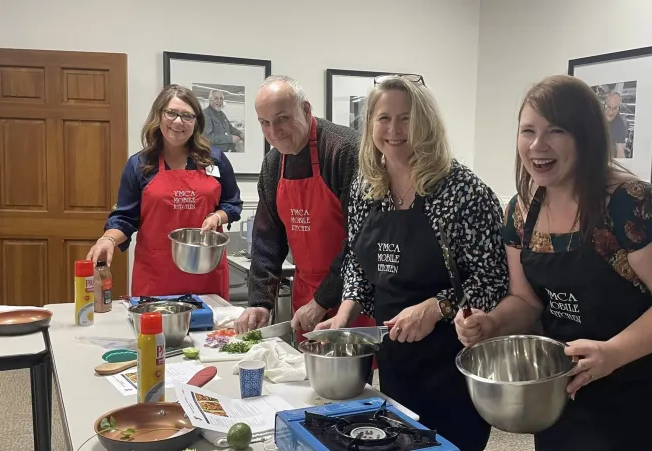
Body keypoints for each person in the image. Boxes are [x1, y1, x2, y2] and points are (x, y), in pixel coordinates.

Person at [455, 74, 652, 451]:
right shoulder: (520, 212)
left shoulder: (629, 204)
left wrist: (613, 353)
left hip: (636, 391)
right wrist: (491, 322)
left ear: (586, 136)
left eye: (556, 130)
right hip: (562, 393)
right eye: (527, 130)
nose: (537, 145)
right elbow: (526, 302)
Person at [315, 75, 509, 451]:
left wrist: (437, 307)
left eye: (406, 118)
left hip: (454, 360)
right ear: (370, 124)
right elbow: (356, 257)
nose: (394, 130)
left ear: (427, 124)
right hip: (396, 357)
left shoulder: (464, 191)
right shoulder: (366, 187)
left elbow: (493, 279)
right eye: (383, 118)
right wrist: (345, 312)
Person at [235, 75, 375, 338]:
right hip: (306, 294)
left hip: (353, 296)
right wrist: (260, 301)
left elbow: (362, 240)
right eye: (264, 123)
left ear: (306, 109)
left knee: (352, 377)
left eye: (282, 118)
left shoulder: (344, 151)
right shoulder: (274, 164)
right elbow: (267, 239)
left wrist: (324, 299)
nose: (274, 131)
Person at [87, 84, 243, 301]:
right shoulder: (140, 165)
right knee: (155, 335)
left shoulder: (214, 159)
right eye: (171, 113)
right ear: (159, 115)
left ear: (196, 122)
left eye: (187, 116)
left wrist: (218, 216)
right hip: (156, 278)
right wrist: (108, 240)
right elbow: (125, 218)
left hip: (206, 277)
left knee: (212, 335)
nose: (178, 122)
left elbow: (232, 204)